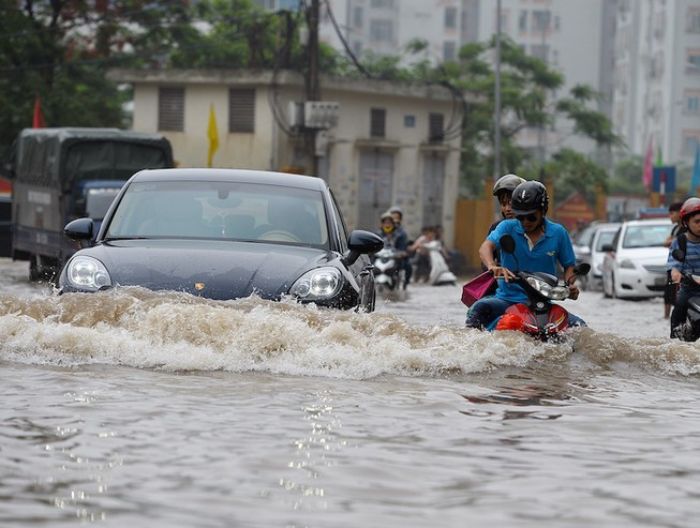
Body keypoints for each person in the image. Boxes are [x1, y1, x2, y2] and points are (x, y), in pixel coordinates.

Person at [465, 180, 585, 330]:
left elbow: (569, 266)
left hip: (543, 302)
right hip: (507, 300)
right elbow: (485, 248)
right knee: (479, 308)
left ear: (543, 211)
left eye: (531, 217)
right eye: (520, 217)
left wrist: (570, 285)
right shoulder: (506, 227)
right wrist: (493, 266)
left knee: (581, 327)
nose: (525, 222)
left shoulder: (558, 233)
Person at [668, 197, 700, 339]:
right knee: (679, 307)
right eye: (697, 222)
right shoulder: (680, 242)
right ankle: (676, 338)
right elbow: (674, 266)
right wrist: (676, 274)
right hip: (689, 289)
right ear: (686, 222)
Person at [483, 173, 526, 270]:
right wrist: (492, 266)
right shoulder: (497, 227)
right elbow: (486, 254)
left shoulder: (535, 227)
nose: (507, 209)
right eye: (503, 204)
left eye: (512, 204)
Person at [663, 201, 685, 319]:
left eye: (672, 213)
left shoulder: (687, 229)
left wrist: (672, 241)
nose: (670, 216)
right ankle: (666, 317)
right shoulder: (676, 228)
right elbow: (667, 242)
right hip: (671, 265)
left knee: (678, 293)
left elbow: (672, 242)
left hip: (682, 267)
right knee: (668, 292)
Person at [389, 206, 412, 287]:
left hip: (398, 256)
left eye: (397, 218)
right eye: (393, 217)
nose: (395, 220)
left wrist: (402, 253)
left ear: (400, 219)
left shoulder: (402, 232)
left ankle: (405, 284)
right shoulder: (383, 230)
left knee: (408, 265)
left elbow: (403, 247)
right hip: (384, 255)